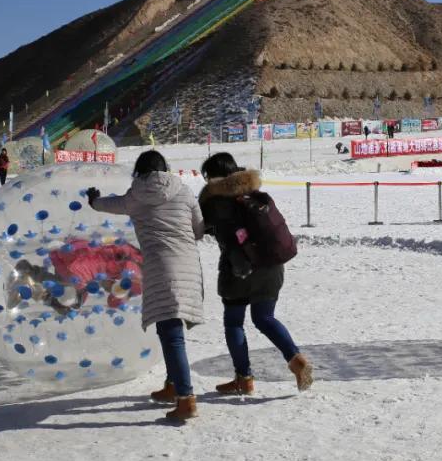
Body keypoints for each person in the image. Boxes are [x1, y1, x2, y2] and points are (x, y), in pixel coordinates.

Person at [87, 150, 206, 422]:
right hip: (189, 266)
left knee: (170, 331)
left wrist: (93, 201)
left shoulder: (135, 197)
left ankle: (186, 399)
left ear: (139, 171)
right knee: (173, 328)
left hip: (160, 268)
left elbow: (108, 204)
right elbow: (199, 230)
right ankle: (173, 384)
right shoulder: (185, 191)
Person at [198, 152, 313, 395]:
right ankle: (296, 359)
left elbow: (201, 228)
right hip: (271, 266)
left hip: (239, 270)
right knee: (264, 318)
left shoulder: (214, 200)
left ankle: (244, 378)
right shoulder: (252, 192)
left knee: (233, 322)